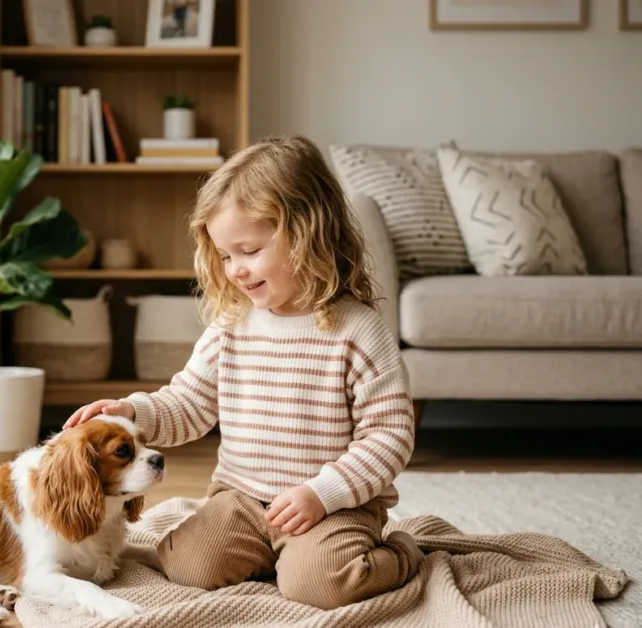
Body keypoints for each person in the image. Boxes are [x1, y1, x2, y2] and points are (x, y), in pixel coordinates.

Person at [63, 136, 423, 610]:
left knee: (321, 585)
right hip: (242, 500)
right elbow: (188, 403)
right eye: (225, 255)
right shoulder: (231, 326)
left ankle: (401, 553)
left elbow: (390, 435)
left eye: (249, 251)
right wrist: (133, 412)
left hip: (333, 506)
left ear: (308, 233)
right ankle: (278, 555)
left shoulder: (357, 330)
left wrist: (323, 493)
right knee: (186, 564)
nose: (234, 270)